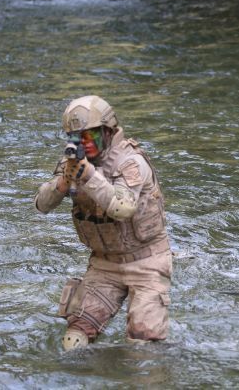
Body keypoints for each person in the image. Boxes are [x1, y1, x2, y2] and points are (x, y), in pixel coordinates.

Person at [35, 95, 171, 350]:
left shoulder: (130, 162)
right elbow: (41, 205)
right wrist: (64, 182)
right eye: (76, 137)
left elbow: (123, 207)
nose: (84, 143)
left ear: (107, 130)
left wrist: (89, 176)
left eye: (90, 135)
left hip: (147, 261)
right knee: (73, 341)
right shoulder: (73, 162)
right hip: (104, 262)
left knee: (144, 346)